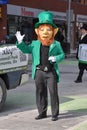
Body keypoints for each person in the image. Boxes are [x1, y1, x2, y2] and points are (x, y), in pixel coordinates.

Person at [15, 11, 65, 121]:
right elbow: (25, 50)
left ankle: (54, 114)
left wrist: (56, 58)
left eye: (48, 29)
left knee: (53, 93)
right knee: (40, 93)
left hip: (51, 72)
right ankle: (42, 112)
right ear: (37, 31)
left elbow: (62, 55)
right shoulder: (34, 43)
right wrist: (20, 42)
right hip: (39, 72)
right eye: (42, 29)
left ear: (53, 31)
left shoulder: (56, 44)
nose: (45, 32)